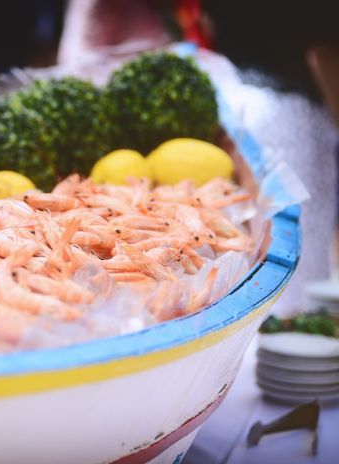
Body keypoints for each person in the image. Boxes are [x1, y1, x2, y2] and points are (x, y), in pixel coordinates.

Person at [58, 0, 339, 316]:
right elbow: (326, 47)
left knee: (286, 265)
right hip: (278, 109)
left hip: (250, 105)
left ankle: (292, 325)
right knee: (292, 271)